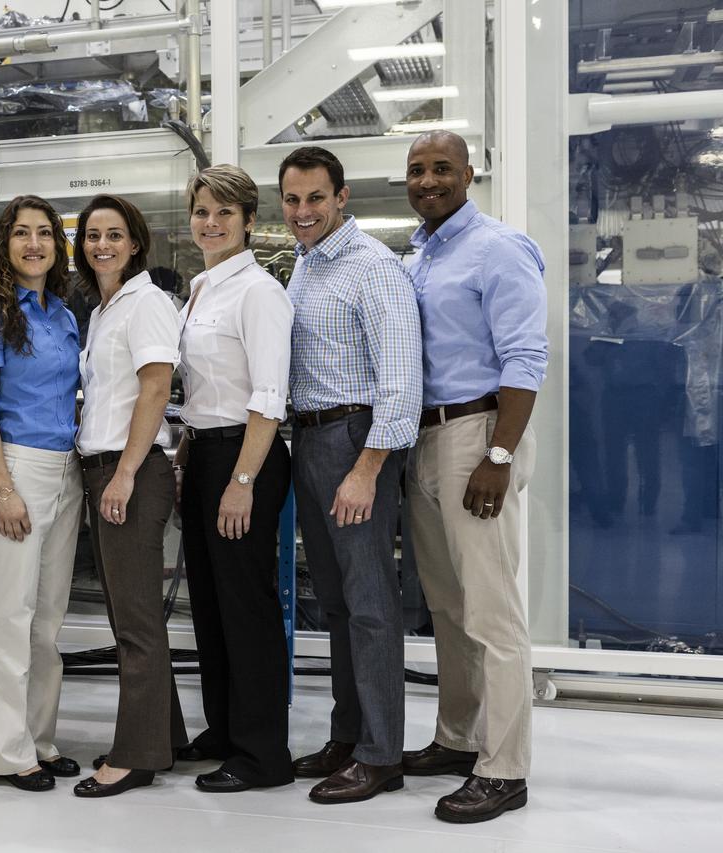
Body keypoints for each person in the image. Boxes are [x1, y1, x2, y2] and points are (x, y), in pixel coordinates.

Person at [400, 130, 547, 824]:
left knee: (491, 611)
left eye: (440, 168)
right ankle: (458, 738)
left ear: (468, 173)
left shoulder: (498, 248)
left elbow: (525, 357)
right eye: (417, 170)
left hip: (476, 432)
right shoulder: (422, 255)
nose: (428, 180)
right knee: (448, 607)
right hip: (425, 435)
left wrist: (498, 455)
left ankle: (504, 766)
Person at [281, 146, 422, 804]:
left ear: (341, 197)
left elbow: (401, 387)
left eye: (315, 198)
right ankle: (347, 734)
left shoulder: (374, 269)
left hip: (355, 441)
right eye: (292, 200)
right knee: (336, 604)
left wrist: (367, 469)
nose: (303, 211)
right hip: (308, 439)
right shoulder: (305, 268)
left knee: (368, 607)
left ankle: (380, 753)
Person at [0, 195, 83, 793]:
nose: (34, 244)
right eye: (21, 233)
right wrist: (3, 488)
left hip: (66, 469)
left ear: (58, 246)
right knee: (8, 615)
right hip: (17, 470)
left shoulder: (60, 312)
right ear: (3, 244)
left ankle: (39, 737)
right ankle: (5, 752)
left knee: (48, 619)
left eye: (45, 234)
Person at [175, 165, 294, 793]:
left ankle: (261, 755)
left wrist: (243, 479)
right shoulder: (200, 288)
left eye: (224, 213)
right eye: (201, 211)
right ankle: (223, 730)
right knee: (212, 606)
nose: (210, 223)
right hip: (205, 455)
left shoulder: (258, 293)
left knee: (246, 607)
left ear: (249, 221)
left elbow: (268, 397)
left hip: (246, 457)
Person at [71, 194, 187, 798]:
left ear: (135, 242)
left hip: (129, 472)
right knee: (129, 613)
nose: (102, 245)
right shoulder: (103, 309)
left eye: (114, 234)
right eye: (92, 235)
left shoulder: (147, 303)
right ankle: (165, 735)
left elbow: (155, 388)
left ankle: (137, 754)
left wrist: (124, 475)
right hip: (107, 468)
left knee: (135, 621)